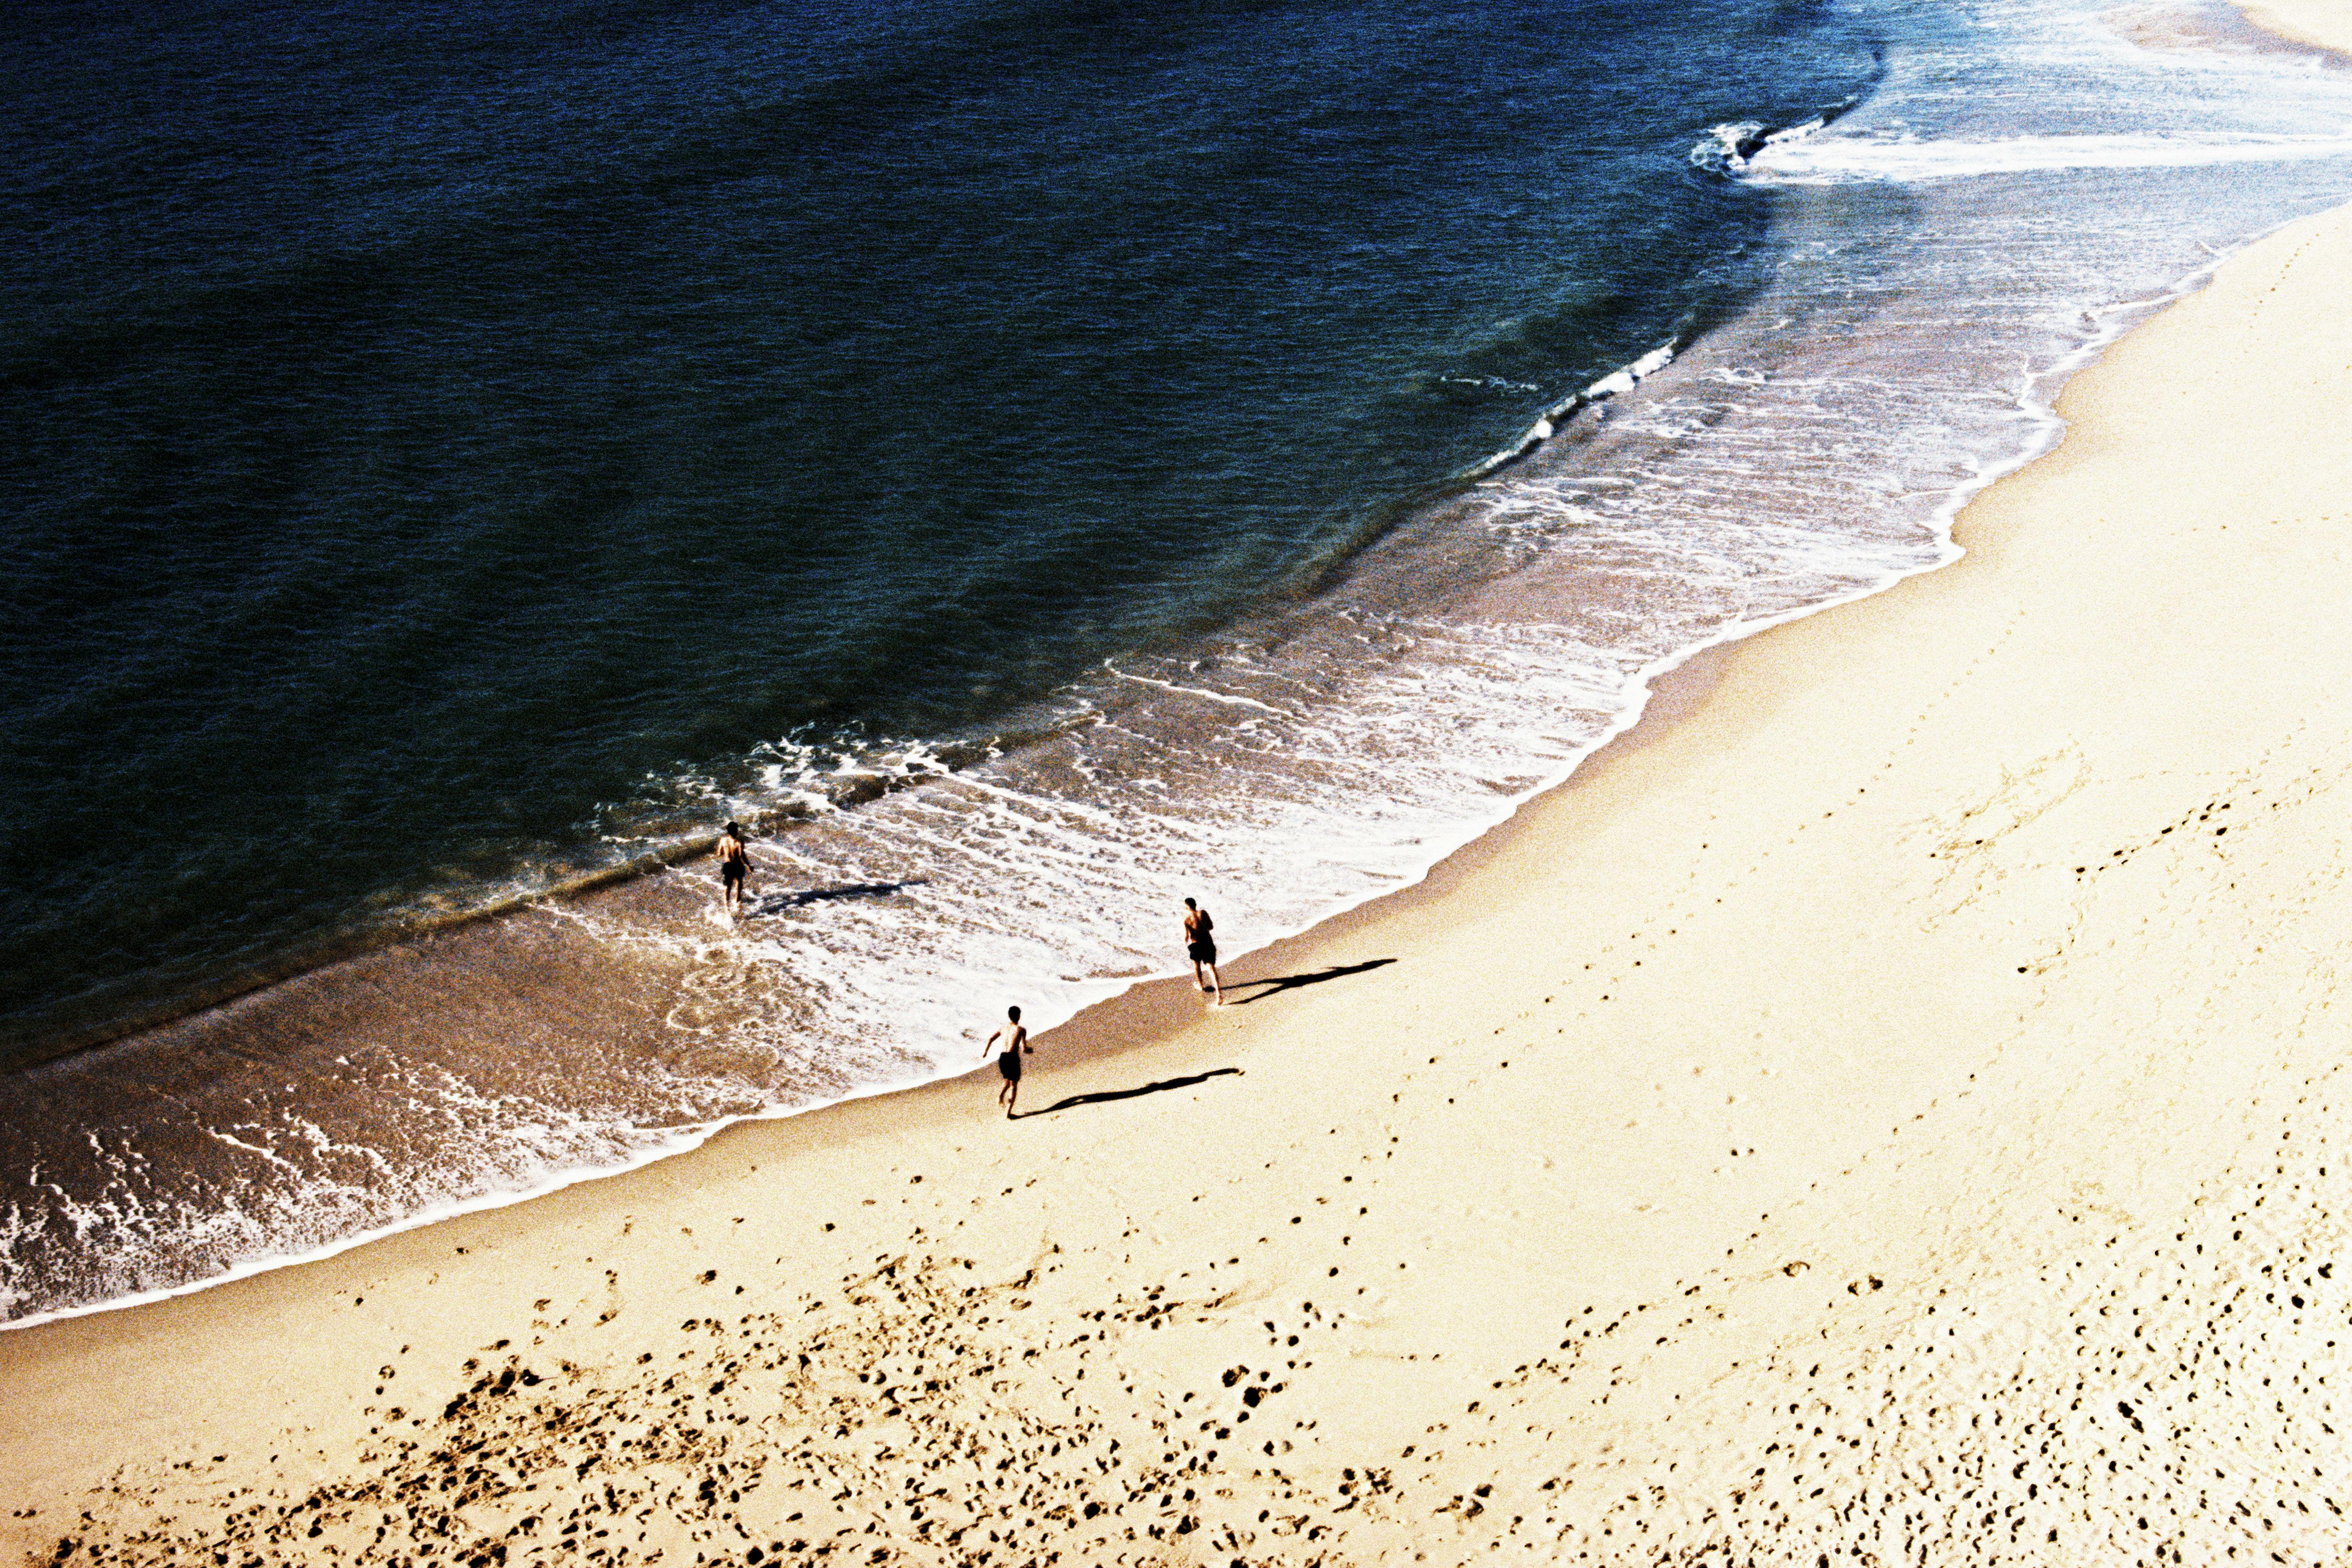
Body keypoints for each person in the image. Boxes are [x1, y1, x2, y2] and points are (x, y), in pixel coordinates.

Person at [983, 1006, 1032, 1117]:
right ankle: (1008, 1113)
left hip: (1002, 1058)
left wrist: (985, 1053)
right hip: (1012, 1058)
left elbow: (990, 1039)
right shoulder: (1021, 1030)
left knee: (1008, 1081)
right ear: (1019, 1016)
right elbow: (1024, 1049)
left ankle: (1000, 1096)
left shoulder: (1003, 1029)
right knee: (1014, 1085)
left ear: (1009, 1016)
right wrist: (1030, 1050)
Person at [1183, 896, 1222, 1005]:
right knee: (1211, 968)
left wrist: (1187, 939)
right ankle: (1219, 993)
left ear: (1187, 907)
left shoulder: (1187, 921)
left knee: (1197, 965)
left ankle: (1201, 985)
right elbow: (1211, 927)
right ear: (1195, 904)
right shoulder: (1203, 913)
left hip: (1196, 945)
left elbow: (1187, 937)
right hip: (1208, 943)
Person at [715, 821, 750, 917]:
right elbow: (742, 855)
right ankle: (738, 901)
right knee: (739, 882)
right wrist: (749, 866)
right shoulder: (739, 842)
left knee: (728, 887)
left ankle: (727, 907)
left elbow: (719, 853)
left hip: (728, 865)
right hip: (738, 865)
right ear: (736, 831)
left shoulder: (723, 840)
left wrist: (726, 852)